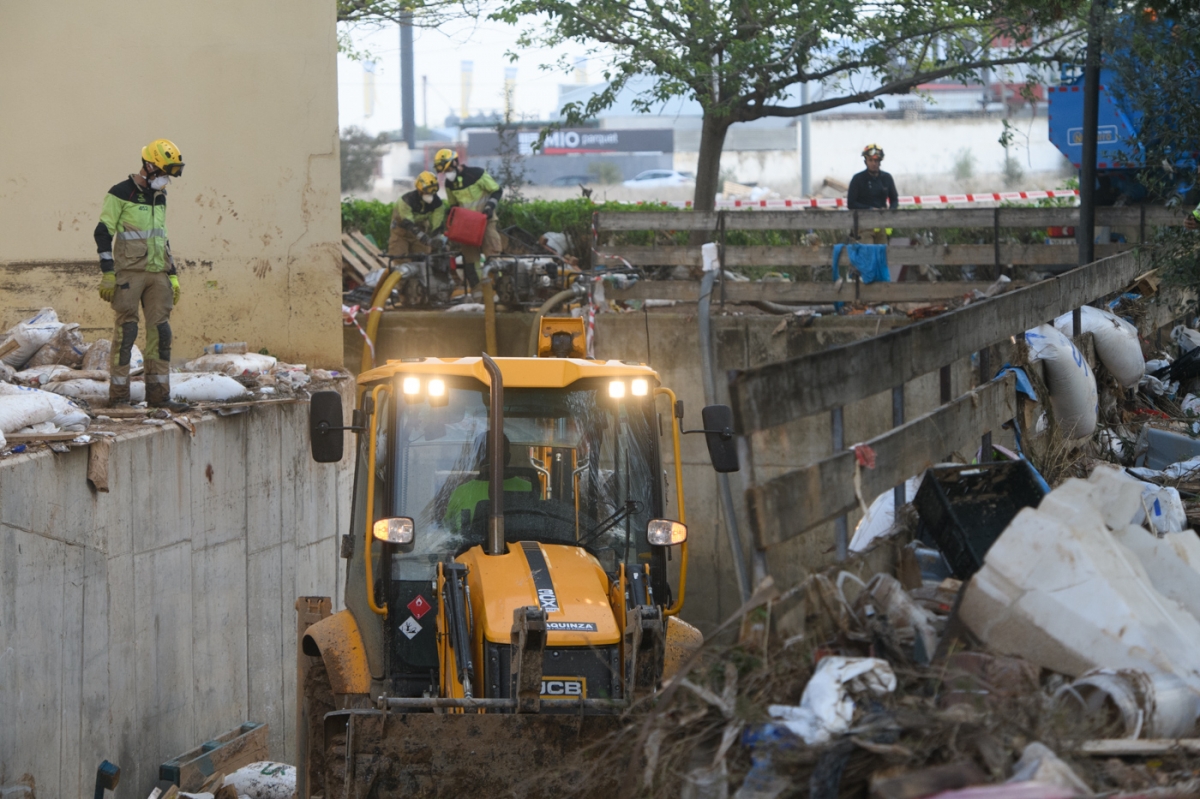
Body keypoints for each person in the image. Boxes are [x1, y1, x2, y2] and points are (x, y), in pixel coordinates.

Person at [94, 139, 188, 411]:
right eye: (163, 173)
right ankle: (120, 397)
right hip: (129, 274)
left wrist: (172, 274)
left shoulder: (160, 197)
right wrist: (108, 273)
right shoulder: (121, 193)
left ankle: (159, 396)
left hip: (157, 273)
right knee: (127, 331)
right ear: (148, 166)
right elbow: (103, 231)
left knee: (161, 332)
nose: (166, 180)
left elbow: (163, 238)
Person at [432, 148, 503, 291]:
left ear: (455, 163)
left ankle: (500, 289)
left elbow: (496, 190)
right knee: (470, 261)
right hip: (467, 227)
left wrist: (489, 207)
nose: (447, 174)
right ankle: (478, 293)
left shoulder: (476, 174)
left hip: (486, 221)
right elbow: (454, 206)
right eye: (444, 172)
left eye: (448, 170)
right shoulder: (449, 184)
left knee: (492, 255)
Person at [443, 433, 531, 531]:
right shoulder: (531, 490)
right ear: (508, 458)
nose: (493, 460)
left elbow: (449, 534)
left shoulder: (460, 493)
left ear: (477, 458)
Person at [847, 144, 898, 244]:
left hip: (881, 224)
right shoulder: (858, 179)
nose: (874, 163)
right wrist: (869, 209)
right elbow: (851, 203)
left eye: (876, 160)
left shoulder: (886, 178)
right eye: (870, 160)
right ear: (865, 161)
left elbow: (894, 199)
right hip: (864, 224)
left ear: (880, 162)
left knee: (882, 253)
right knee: (868, 253)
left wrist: (890, 211)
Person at [389, 171, 447, 257]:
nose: (430, 195)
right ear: (419, 190)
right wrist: (424, 237)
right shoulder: (406, 200)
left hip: (421, 230)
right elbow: (408, 223)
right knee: (399, 259)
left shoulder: (437, 204)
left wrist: (437, 238)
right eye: (427, 192)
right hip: (401, 233)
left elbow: (437, 225)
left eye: (433, 192)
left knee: (423, 259)